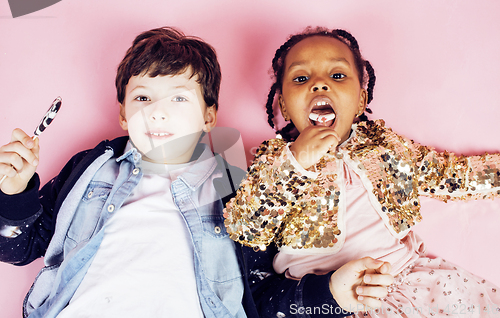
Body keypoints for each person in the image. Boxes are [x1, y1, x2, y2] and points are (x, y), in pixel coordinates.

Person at [0, 26, 393, 318]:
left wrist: (332, 295)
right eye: (142, 97)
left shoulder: (231, 174)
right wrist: (14, 192)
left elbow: (258, 295)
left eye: (178, 97)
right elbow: (19, 249)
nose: (157, 110)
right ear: (122, 113)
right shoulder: (93, 166)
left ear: (209, 116)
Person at [224, 27, 500, 317]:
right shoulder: (272, 160)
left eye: (338, 76)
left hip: (406, 281)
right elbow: (246, 226)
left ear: (360, 101)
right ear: (284, 105)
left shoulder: (385, 147)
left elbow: (449, 174)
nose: (319, 85)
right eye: (301, 78)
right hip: (326, 303)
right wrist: (295, 162)